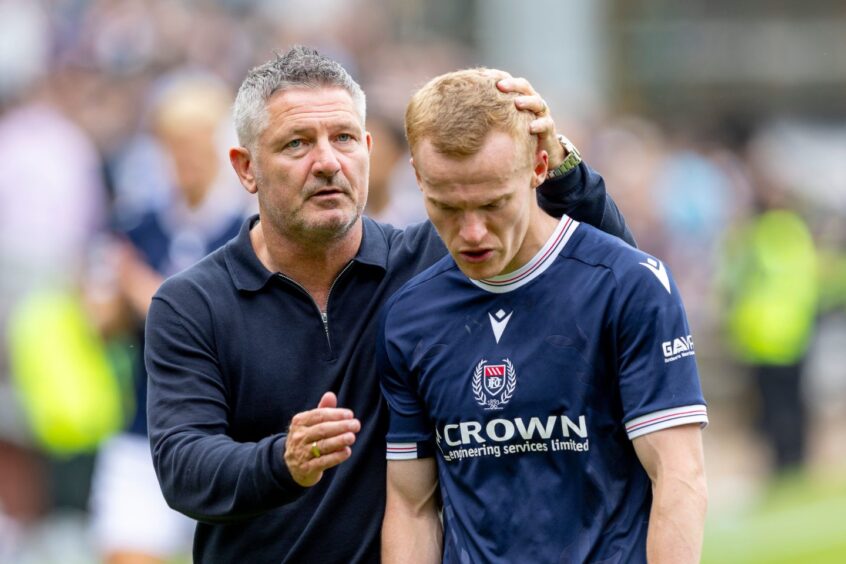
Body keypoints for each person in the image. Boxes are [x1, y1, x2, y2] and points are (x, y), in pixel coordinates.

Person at [145, 45, 634, 563]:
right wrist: (283, 461)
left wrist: (562, 169)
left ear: (369, 149)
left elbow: (621, 281)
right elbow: (183, 469)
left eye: (344, 138)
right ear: (246, 169)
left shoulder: (434, 260)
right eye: (296, 144)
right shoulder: (190, 303)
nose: (328, 162)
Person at [378, 69, 708, 563]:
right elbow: (411, 505)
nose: (471, 232)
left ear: (538, 167)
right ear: (418, 177)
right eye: (446, 205)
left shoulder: (628, 285)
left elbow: (679, 479)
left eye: (493, 204)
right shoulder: (410, 315)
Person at [87, 73, 250, 563]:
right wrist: (110, 295)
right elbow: (102, 324)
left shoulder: (249, 229)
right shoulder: (139, 224)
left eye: (197, 144)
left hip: (232, 435)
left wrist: (140, 285)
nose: (186, 160)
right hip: (146, 425)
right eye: (175, 146)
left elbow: (214, 325)